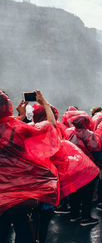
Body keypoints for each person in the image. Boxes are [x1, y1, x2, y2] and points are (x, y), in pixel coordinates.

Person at [0, 90, 60, 243]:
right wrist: (44, 103)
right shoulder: (18, 128)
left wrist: (19, 117)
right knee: (23, 230)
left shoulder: (16, 125)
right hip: (18, 191)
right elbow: (51, 125)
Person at [64, 111, 101, 226]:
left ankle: (74, 215)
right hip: (87, 168)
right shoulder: (89, 134)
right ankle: (86, 218)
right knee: (87, 194)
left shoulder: (69, 133)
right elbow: (96, 152)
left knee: (74, 191)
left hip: (73, 167)